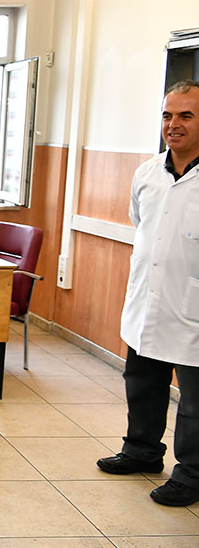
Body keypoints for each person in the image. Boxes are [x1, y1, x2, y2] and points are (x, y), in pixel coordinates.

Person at [96, 80, 199, 507]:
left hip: (193, 307)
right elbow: (141, 224)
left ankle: (192, 473)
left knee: (194, 401)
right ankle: (141, 451)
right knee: (142, 381)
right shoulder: (147, 173)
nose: (173, 124)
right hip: (148, 298)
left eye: (186, 115)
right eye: (167, 115)